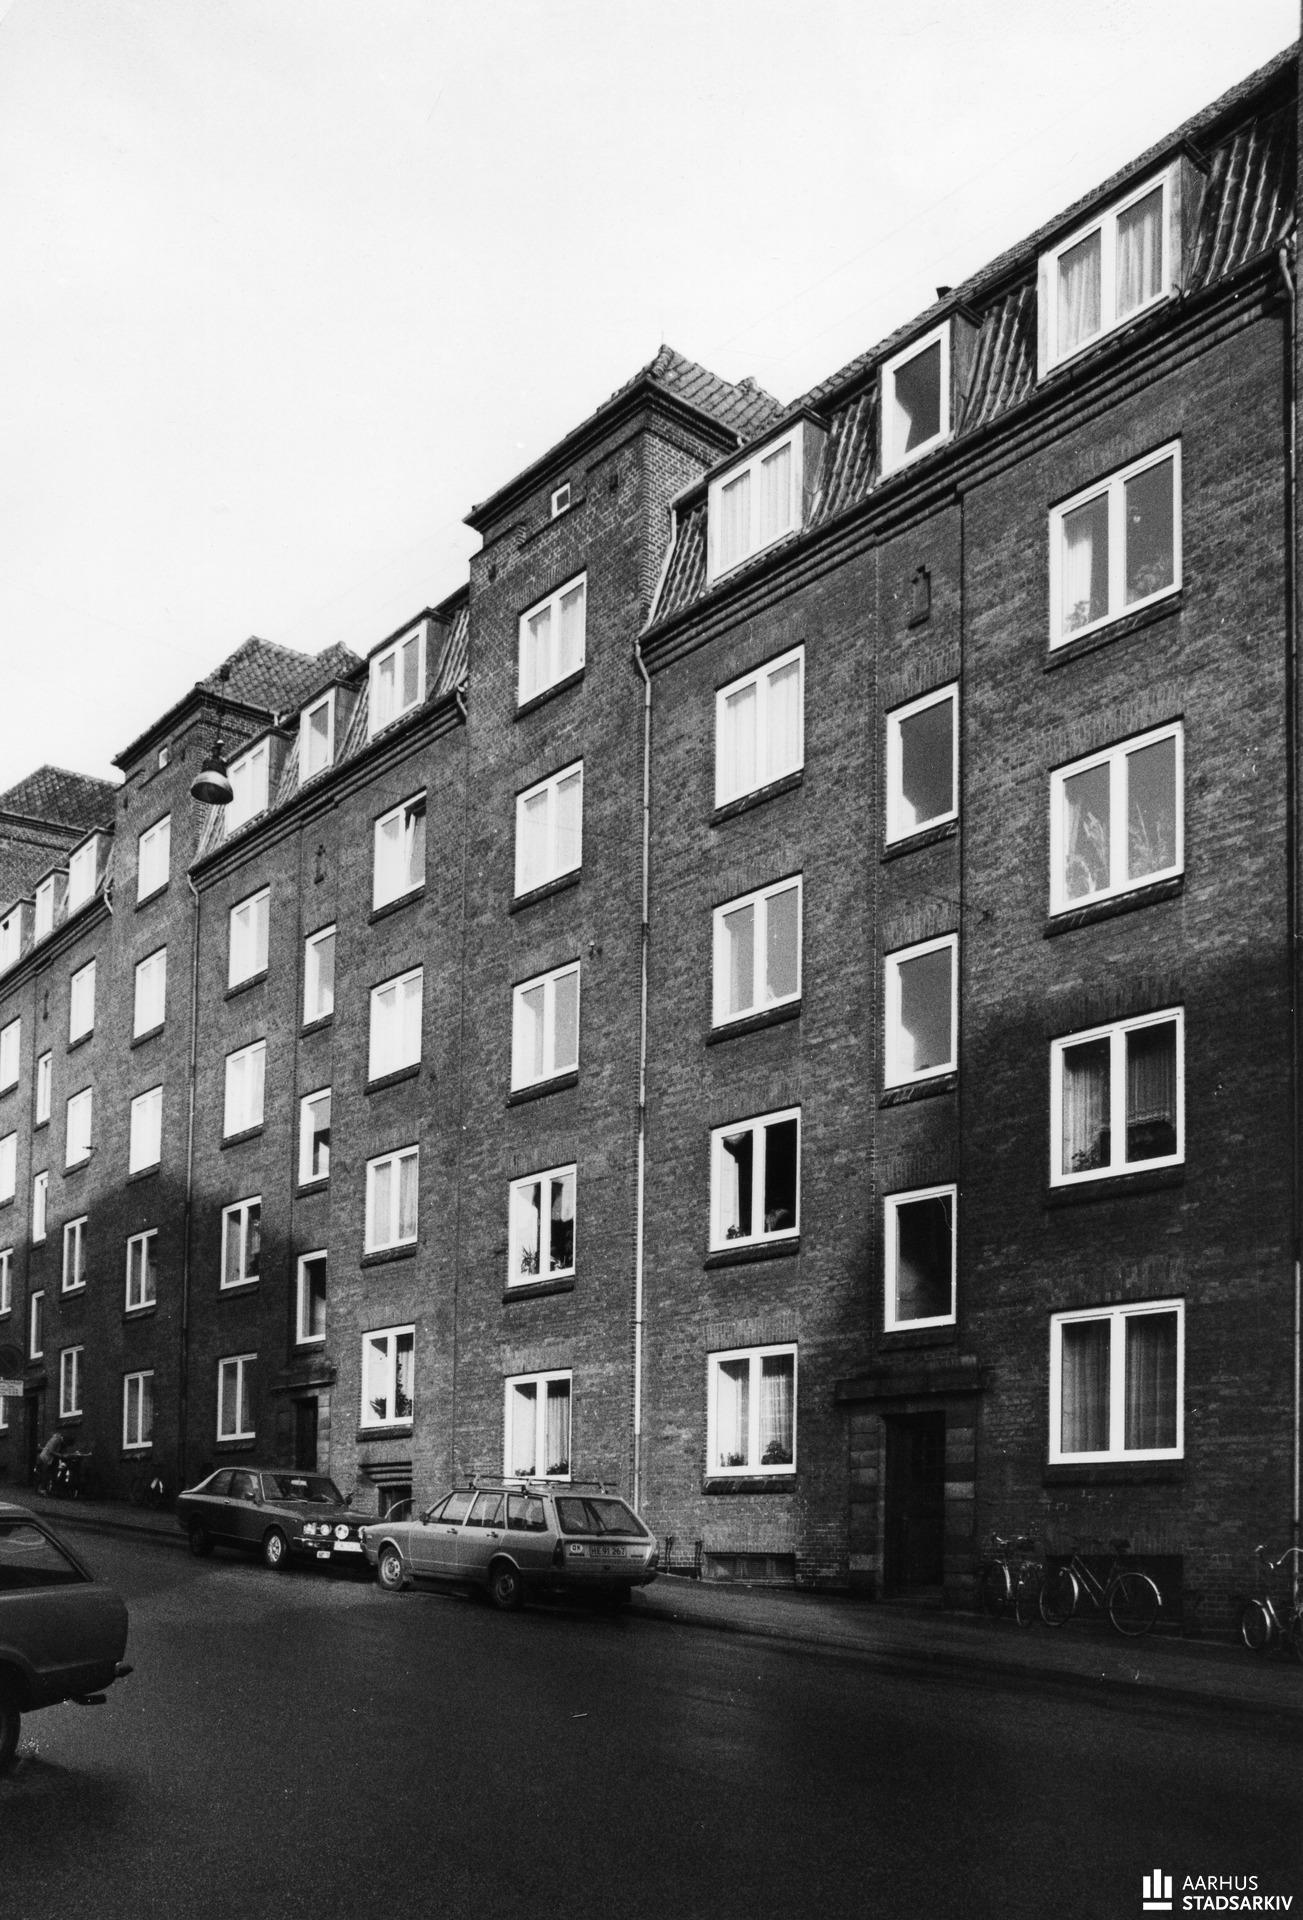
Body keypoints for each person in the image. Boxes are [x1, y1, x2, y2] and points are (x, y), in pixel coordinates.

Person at [35, 1428, 69, 1494]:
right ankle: (41, 1489)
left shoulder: (58, 1440)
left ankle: (44, 1489)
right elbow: (50, 1451)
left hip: (47, 1458)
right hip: (45, 1458)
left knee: (47, 1474)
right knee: (44, 1474)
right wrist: (61, 1455)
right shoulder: (56, 1440)